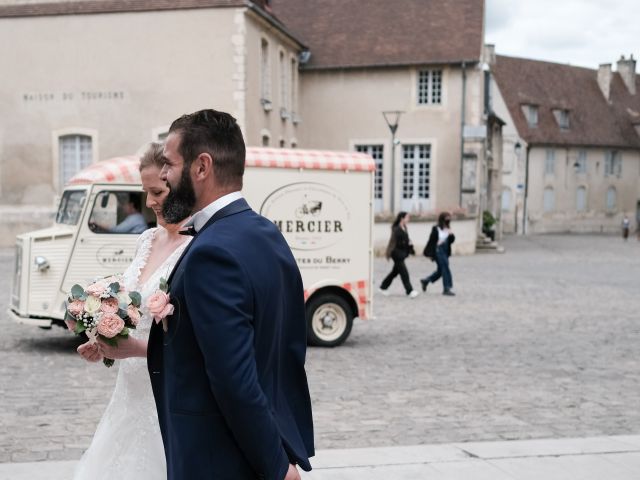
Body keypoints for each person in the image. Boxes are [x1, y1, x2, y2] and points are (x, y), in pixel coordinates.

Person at [149, 109, 314, 479]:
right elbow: (288, 353)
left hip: (220, 459)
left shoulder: (212, 253)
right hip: (264, 442)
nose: (162, 175)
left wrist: (277, 467)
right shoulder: (265, 233)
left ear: (202, 166)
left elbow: (233, 379)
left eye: (169, 164)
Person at [69, 143, 192, 480]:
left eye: (157, 191)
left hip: (165, 389)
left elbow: (191, 336)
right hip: (130, 389)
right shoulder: (147, 239)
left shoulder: (196, 249)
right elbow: (131, 306)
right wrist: (104, 336)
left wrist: (138, 348)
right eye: (145, 191)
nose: (149, 201)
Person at [379, 211, 419, 298]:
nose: (408, 219)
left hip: (401, 253)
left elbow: (405, 240)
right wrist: (406, 243)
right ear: (402, 218)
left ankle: (383, 287)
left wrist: (409, 244)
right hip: (396, 253)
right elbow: (397, 242)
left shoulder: (404, 227)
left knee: (395, 272)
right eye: (407, 217)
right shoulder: (396, 229)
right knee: (404, 272)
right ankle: (410, 291)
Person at [421, 212, 456, 296]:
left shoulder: (448, 228)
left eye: (449, 218)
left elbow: (451, 241)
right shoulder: (436, 228)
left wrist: (451, 235)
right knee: (445, 268)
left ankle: (426, 280)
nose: (448, 220)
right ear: (442, 219)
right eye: (446, 218)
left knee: (441, 270)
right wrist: (430, 253)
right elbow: (431, 241)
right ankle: (446, 288)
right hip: (438, 250)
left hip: (445, 250)